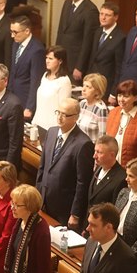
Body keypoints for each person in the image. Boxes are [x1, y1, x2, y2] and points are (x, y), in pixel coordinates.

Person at [35, 97, 94, 230]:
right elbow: (42, 167)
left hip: (63, 208)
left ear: (76, 117)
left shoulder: (83, 144)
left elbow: (82, 183)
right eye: (58, 112)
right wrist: (37, 195)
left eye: (65, 115)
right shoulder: (51, 132)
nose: (60, 117)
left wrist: (75, 214)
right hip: (43, 200)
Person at [55, 0, 98, 83]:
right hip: (61, 60)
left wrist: (79, 67)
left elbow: (88, 42)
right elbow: (61, 32)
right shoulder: (67, 2)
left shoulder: (91, 10)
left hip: (74, 65)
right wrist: (56, 55)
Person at [87, 1, 124, 100]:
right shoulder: (98, 32)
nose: (103, 18)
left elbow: (119, 68)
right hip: (92, 83)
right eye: (101, 14)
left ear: (115, 17)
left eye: (107, 15)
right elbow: (92, 58)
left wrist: (113, 92)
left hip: (105, 86)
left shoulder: (120, 38)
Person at [8, 15, 45, 115]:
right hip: (12, 96)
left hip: (25, 98)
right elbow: (13, 71)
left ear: (27, 31)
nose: (12, 35)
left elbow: (35, 81)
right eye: (11, 31)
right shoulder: (16, 43)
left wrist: (30, 107)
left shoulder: (37, 50)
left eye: (15, 32)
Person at [29, 45, 72, 128]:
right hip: (38, 122)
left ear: (60, 61)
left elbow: (63, 109)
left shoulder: (64, 81)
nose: (47, 61)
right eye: (46, 58)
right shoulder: (45, 75)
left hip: (52, 126)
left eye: (51, 59)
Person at [87, 135, 126, 211]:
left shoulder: (121, 179)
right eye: (95, 151)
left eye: (99, 152)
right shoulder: (99, 167)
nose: (94, 156)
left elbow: (114, 210)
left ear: (112, 155)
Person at [77, 73, 108, 143]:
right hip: (77, 145)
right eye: (83, 85)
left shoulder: (101, 109)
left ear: (97, 91)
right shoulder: (82, 103)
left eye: (88, 87)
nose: (83, 89)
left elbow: (102, 137)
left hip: (90, 149)